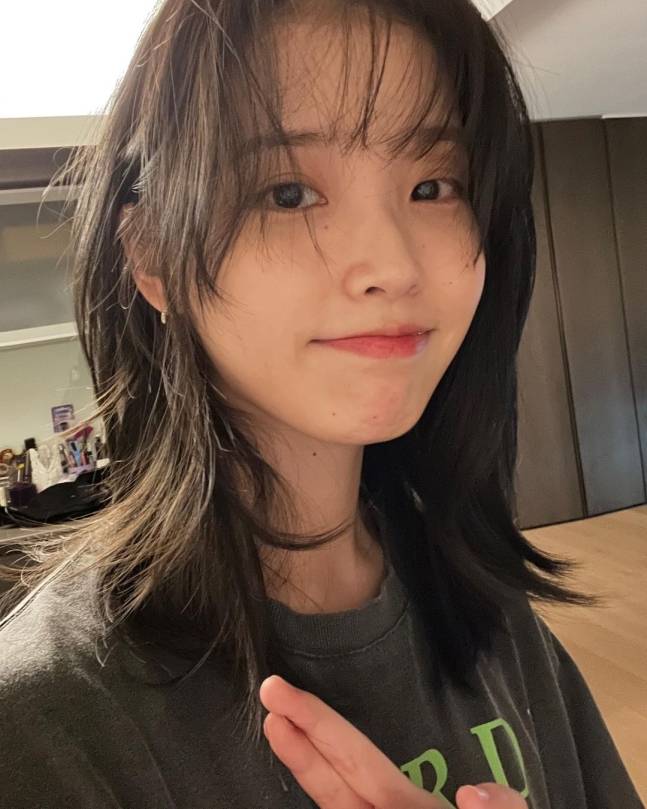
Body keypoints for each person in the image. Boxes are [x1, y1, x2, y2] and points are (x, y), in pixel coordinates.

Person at [0, 1, 643, 807]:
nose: (392, 265)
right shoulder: (47, 721)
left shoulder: (480, 600)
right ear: (153, 255)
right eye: (288, 193)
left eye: (433, 186)